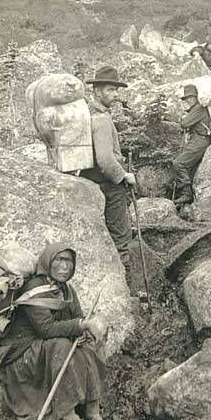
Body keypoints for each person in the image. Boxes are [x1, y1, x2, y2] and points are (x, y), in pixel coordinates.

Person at [0, 243, 107, 420]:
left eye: (68, 261)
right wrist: (81, 325)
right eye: (59, 260)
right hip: (23, 356)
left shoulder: (67, 290)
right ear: (48, 262)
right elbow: (45, 329)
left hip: (44, 350)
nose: (64, 266)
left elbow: (77, 318)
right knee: (61, 345)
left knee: (88, 345)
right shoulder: (35, 287)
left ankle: (92, 408)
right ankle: (67, 415)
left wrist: (85, 330)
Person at [81, 66, 134, 278]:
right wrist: (123, 176)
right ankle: (124, 281)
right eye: (111, 90)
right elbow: (104, 160)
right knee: (121, 235)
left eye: (116, 90)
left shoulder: (89, 113)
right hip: (109, 185)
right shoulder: (101, 120)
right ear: (98, 91)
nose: (115, 95)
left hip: (91, 181)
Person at [172, 84, 211, 218]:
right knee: (189, 169)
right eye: (186, 98)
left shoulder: (199, 109)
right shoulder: (196, 109)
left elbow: (185, 124)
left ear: (196, 97)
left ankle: (187, 195)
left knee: (179, 163)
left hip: (200, 141)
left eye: (190, 97)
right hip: (198, 141)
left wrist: (181, 119)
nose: (188, 100)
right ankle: (185, 203)